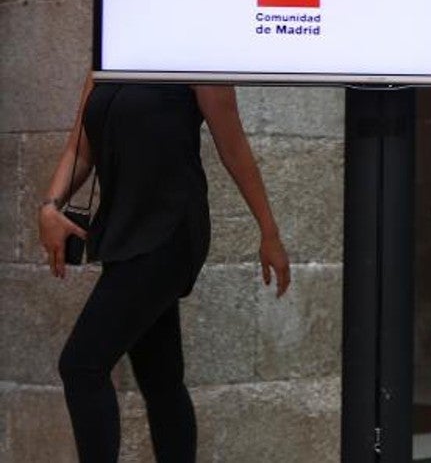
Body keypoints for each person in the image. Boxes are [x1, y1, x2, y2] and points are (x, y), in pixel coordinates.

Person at [38, 77, 292, 462]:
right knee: (161, 379)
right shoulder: (108, 62)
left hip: (170, 228)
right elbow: (80, 150)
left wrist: (268, 231)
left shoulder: (192, 56)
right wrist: (50, 207)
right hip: (124, 231)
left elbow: (234, 147)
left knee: (81, 366)